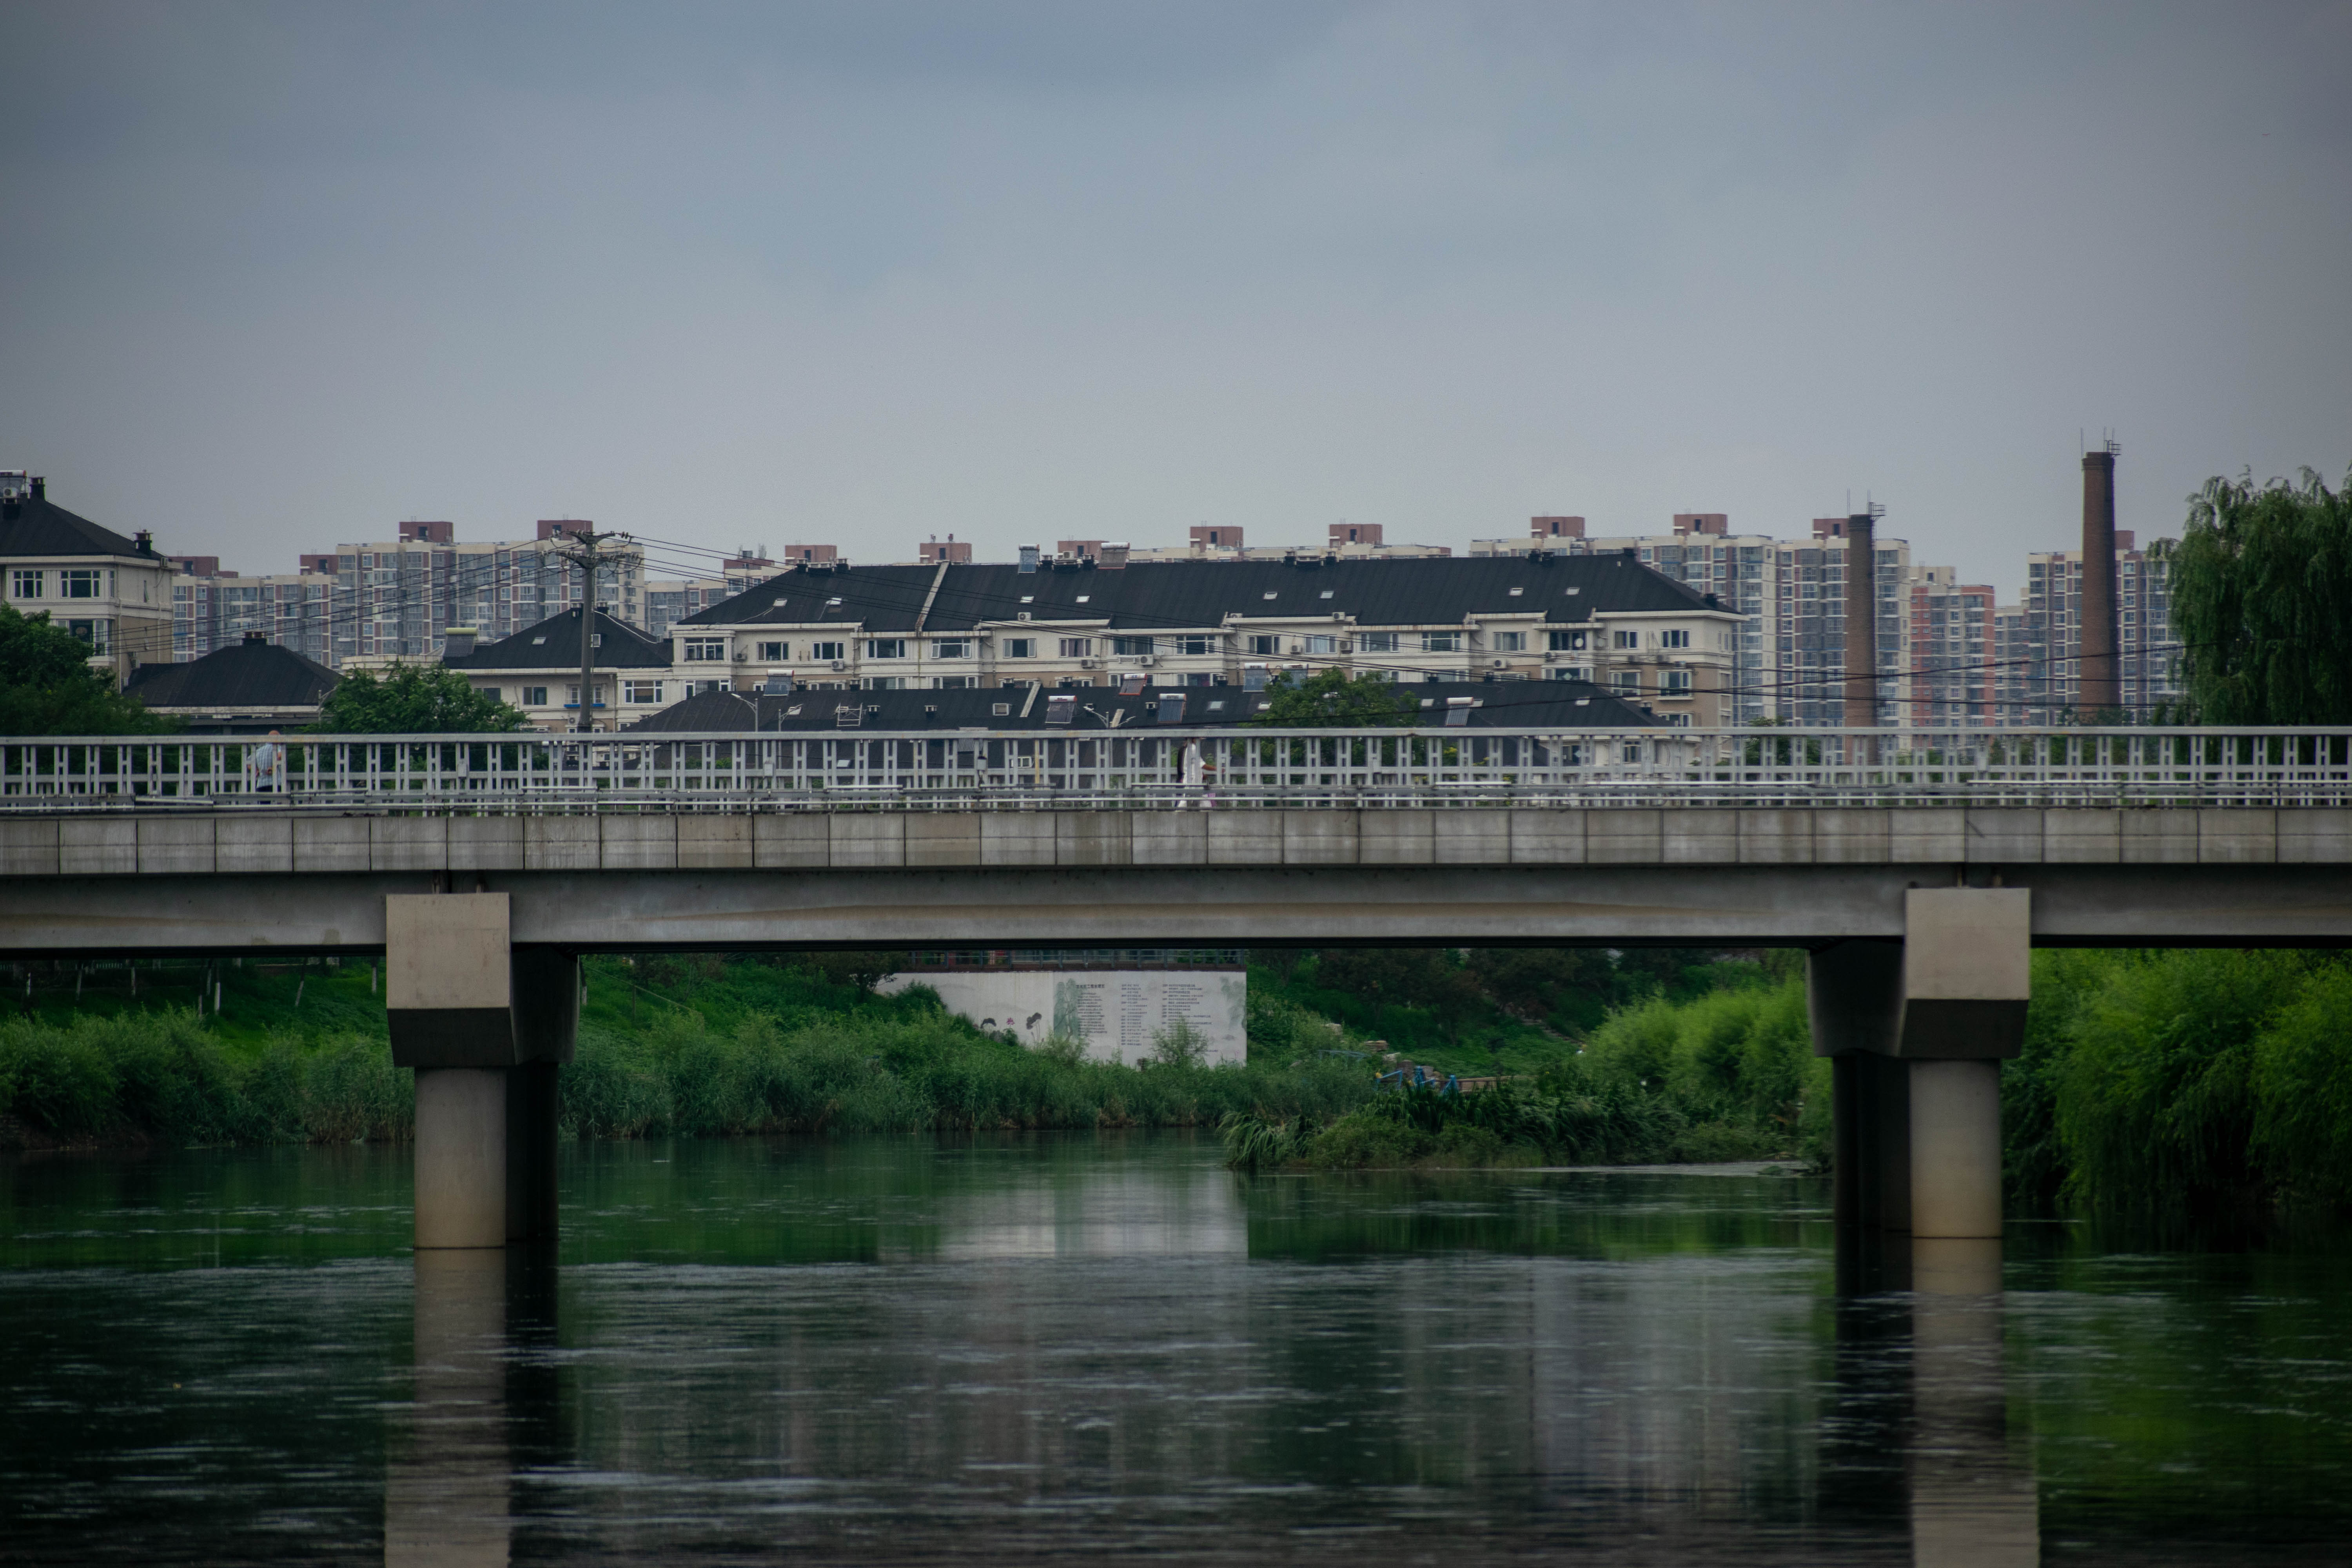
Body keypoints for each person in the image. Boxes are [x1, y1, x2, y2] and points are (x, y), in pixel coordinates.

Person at [248, 730, 285, 794]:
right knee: (278, 803)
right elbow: (280, 755)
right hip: (275, 783)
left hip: (261, 784)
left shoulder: (259, 750)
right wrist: (273, 767)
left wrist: (256, 771)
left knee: (264, 804)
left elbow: (249, 760)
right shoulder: (277, 747)